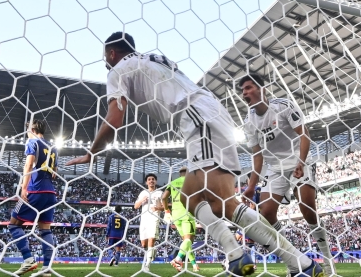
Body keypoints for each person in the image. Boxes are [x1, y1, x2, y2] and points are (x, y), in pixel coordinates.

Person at [66, 32, 323, 276]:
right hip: (206, 111)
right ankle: (235, 254)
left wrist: (92, 152)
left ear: (111, 53)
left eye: (105, 57)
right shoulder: (152, 58)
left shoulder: (119, 69)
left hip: (196, 118)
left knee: (223, 202)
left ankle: (300, 263)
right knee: (190, 197)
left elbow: (114, 118)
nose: (106, 63)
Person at [240, 74, 334, 276]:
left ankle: (328, 263)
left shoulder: (282, 106)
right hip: (275, 168)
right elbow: (257, 157)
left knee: (308, 210)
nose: (244, 93)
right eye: (242, 90)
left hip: (298, 161)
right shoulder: (248, 122)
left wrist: (300, 162)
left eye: (248, 87)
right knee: (266, 214)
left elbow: (304, 134)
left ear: (261, 88)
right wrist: (251, 186)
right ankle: (295, 258)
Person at [9, 119, 58, 277]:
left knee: (14, 225)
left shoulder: (32, 142)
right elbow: (54, 173)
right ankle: (46, 268)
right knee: (45, 230)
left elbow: (28, 165)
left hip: (35, 191)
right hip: (50, 193)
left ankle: (28, 259)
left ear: (32, 130)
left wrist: (24, 188)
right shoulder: (53, 147)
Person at [162, 166, 200, 273]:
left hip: (176, 214)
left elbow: (164, 197)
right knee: (189, 240)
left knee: (186, 242)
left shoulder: (173, 182)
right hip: (187, 213)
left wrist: (166, 211)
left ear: (180, 174)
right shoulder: (192, 182)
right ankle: (178, 259)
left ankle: (194, 265)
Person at [133, 174, 163, 272]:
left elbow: (165, 206)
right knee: (143, 244)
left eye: (153, 179)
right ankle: (152, 251)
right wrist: (142, 200)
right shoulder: (143, 193)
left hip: (154, 217)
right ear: (146, 182)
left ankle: (147, 264)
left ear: (156, 181)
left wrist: (157, 208)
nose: (151, 181)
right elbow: (136, 206)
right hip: (144, 218)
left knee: (152, 238)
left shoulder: (160, 193)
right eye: (149, 179)